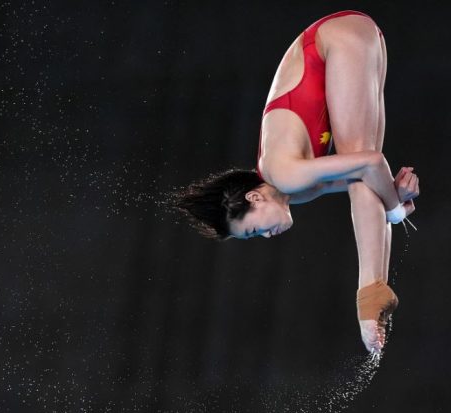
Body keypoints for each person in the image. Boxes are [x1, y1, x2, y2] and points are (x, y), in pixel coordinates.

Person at [171, 11, 420, 354]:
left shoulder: (282, 172)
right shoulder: (294, 189)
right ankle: (376, 292)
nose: (266, 237)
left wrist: (394, 208)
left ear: (255, 199)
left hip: (331, 41)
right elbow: (365, 179)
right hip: (357, 38)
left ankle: (369, 295)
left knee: (360, 159)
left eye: (254, 230)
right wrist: (395, 194)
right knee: (360, 176)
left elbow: (371, 165)